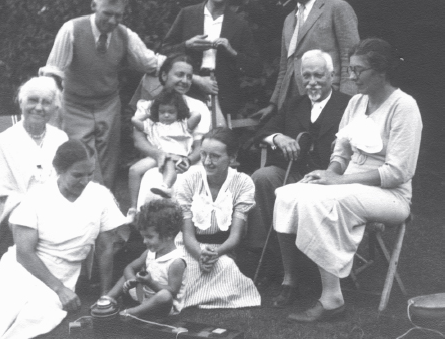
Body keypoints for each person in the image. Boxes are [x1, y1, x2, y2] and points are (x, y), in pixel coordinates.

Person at [273, 38, 422, 322]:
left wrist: (339, 183)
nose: (351, 77)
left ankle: (332, 298)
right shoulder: (356, 103)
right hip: (351, 187)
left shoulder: (404, 107)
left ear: (381, 71)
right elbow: (341, 150)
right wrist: (330, 173)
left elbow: (397, 173)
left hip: (391, 195)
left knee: (326, 200)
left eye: (358, 70)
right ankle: (291, 278)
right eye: (350, 70)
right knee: (289, 193)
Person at [0, 140, 128, 338]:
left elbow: (105, 249)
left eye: (90, 174)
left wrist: (105, 295)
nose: (85, 181)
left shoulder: (100, 196)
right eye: (77, 175)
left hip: (63, 271)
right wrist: (59, 289)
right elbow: (24, 254)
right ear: (59, 169)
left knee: (35, 317)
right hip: (22, 267)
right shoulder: (37, 197)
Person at [42, 0, 165, 192]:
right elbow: (53, 72)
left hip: (108, 105)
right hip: (74, 105)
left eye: (118, 15)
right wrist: (51, 113)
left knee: (108, 163)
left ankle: (106, 214)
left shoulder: (125, 35)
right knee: (82, 158)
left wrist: (191, 73)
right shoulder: (71, 29)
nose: (112, 20)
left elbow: (149, 63)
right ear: (94, 6)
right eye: (107, 13)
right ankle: (85, 209)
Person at [247, 50, 350, 295]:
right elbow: (261, 133)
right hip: (294, 175)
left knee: (297, 194)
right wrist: (278, 137)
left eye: (318, 75)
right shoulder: (294, 104)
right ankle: (275, 256)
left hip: (330, 180)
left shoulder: (347, 104)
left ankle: (308, 264)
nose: (311, 82)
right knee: (262, 177)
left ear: (331, 75)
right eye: (306, 76)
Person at [0, 77, 68, 267]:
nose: (39, 107)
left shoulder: (60, 138)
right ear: (21, 102)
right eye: (33, 100)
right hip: (16, 207)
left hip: (55, 205)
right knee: (30, 223)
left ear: (55, 108)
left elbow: (65, 179)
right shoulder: (4, 140)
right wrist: (32, 206)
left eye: (46, 102)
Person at [252, 0, 359, 121]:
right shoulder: (289, 19)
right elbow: (285, 67)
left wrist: (346, 100)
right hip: (293, 104)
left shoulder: (337, 7)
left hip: (328, 99)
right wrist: (273, 104)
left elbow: (351, 57)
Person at [161, 0, 260, 126]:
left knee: (216, 144)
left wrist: (232, 51)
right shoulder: (188, 14)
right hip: (186, 88)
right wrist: (187, 45)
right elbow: (164, 51)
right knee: (182, 139)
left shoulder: (239, 24)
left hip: (222, 93)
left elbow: (256, 68)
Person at [174, 128, 261, 309]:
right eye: (204, 154)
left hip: (222, 250)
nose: (207, 161)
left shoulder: (243, 183)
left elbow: (235, 237)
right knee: (177, 268)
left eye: (215, 156)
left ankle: (195, 294)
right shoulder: (189, 179)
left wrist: (215, 254)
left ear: (232, 157)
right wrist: (199, 255)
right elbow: (187, 234)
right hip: (189, 247)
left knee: (226, 266)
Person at [132, 54, 211, 211]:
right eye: (179, 75)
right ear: (164, 75)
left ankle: (186, 231)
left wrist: (187, 160)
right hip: (156, 160)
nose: (185, 81)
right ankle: (148, 225)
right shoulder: (148, 106)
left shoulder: (197, 107)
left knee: (190, 178)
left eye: (189, 77)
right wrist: (159, 155)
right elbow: (139, 140)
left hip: (189, 161)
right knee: (152, 177)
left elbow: (200, 146)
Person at [93, 199, 186, 318]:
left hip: (165, 307)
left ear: (168, 235)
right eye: (143, 236)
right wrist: (132, 280)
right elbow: (129, 267)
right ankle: (109, 298)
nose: (144, 241)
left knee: (164, 295)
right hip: (145, 296)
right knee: (125, 275)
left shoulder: (176, 261)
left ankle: (132, 312)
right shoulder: (150, 253)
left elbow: (172, 291)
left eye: (149, 237)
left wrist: (150, 282)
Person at [130, 90, 201, 201]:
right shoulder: (153, 126)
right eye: (162, 112)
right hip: (157, 156)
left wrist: (184, 112)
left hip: (175, 156)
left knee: (169, 165)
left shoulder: (183, 125)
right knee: (134, 170)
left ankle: (165, 186)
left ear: (177, 112)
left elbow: (197, 115)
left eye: (171, 112)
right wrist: (149, 113)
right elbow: (134, 120)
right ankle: (133, 208)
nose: (166, 115)